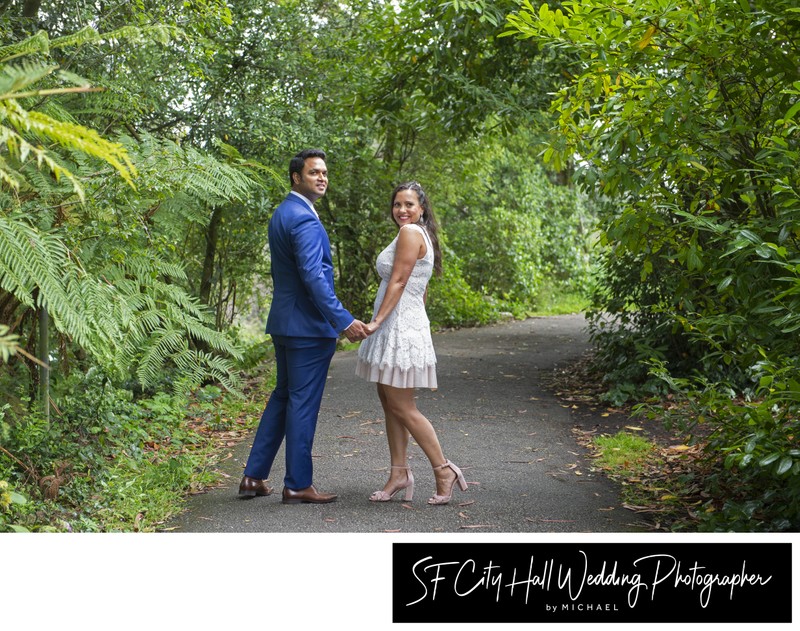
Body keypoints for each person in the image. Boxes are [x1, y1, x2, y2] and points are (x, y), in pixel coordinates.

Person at [239, 148, 369, 504]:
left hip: (285, 322)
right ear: (296, 177)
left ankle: (253, 476)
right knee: (301, 403)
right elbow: (313, 276)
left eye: (325, 172)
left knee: (283, 397)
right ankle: (297, 483)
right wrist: (342, 320)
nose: (322, 177)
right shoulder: (305, 219)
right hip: (307, 329)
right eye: (314, 172)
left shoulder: (283, 212)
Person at [356, 181, 468, 505]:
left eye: (408, 205)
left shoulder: (410, 233)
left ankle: (443, 468)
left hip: (399, 326)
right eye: (396, 205)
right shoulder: (418, 234)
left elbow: (401, 280)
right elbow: (419, 285)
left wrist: (376, 321)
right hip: (402, 323)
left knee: (402, 406)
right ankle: (399, 472)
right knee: (390, 402)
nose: (401, 210)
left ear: (421, 208)